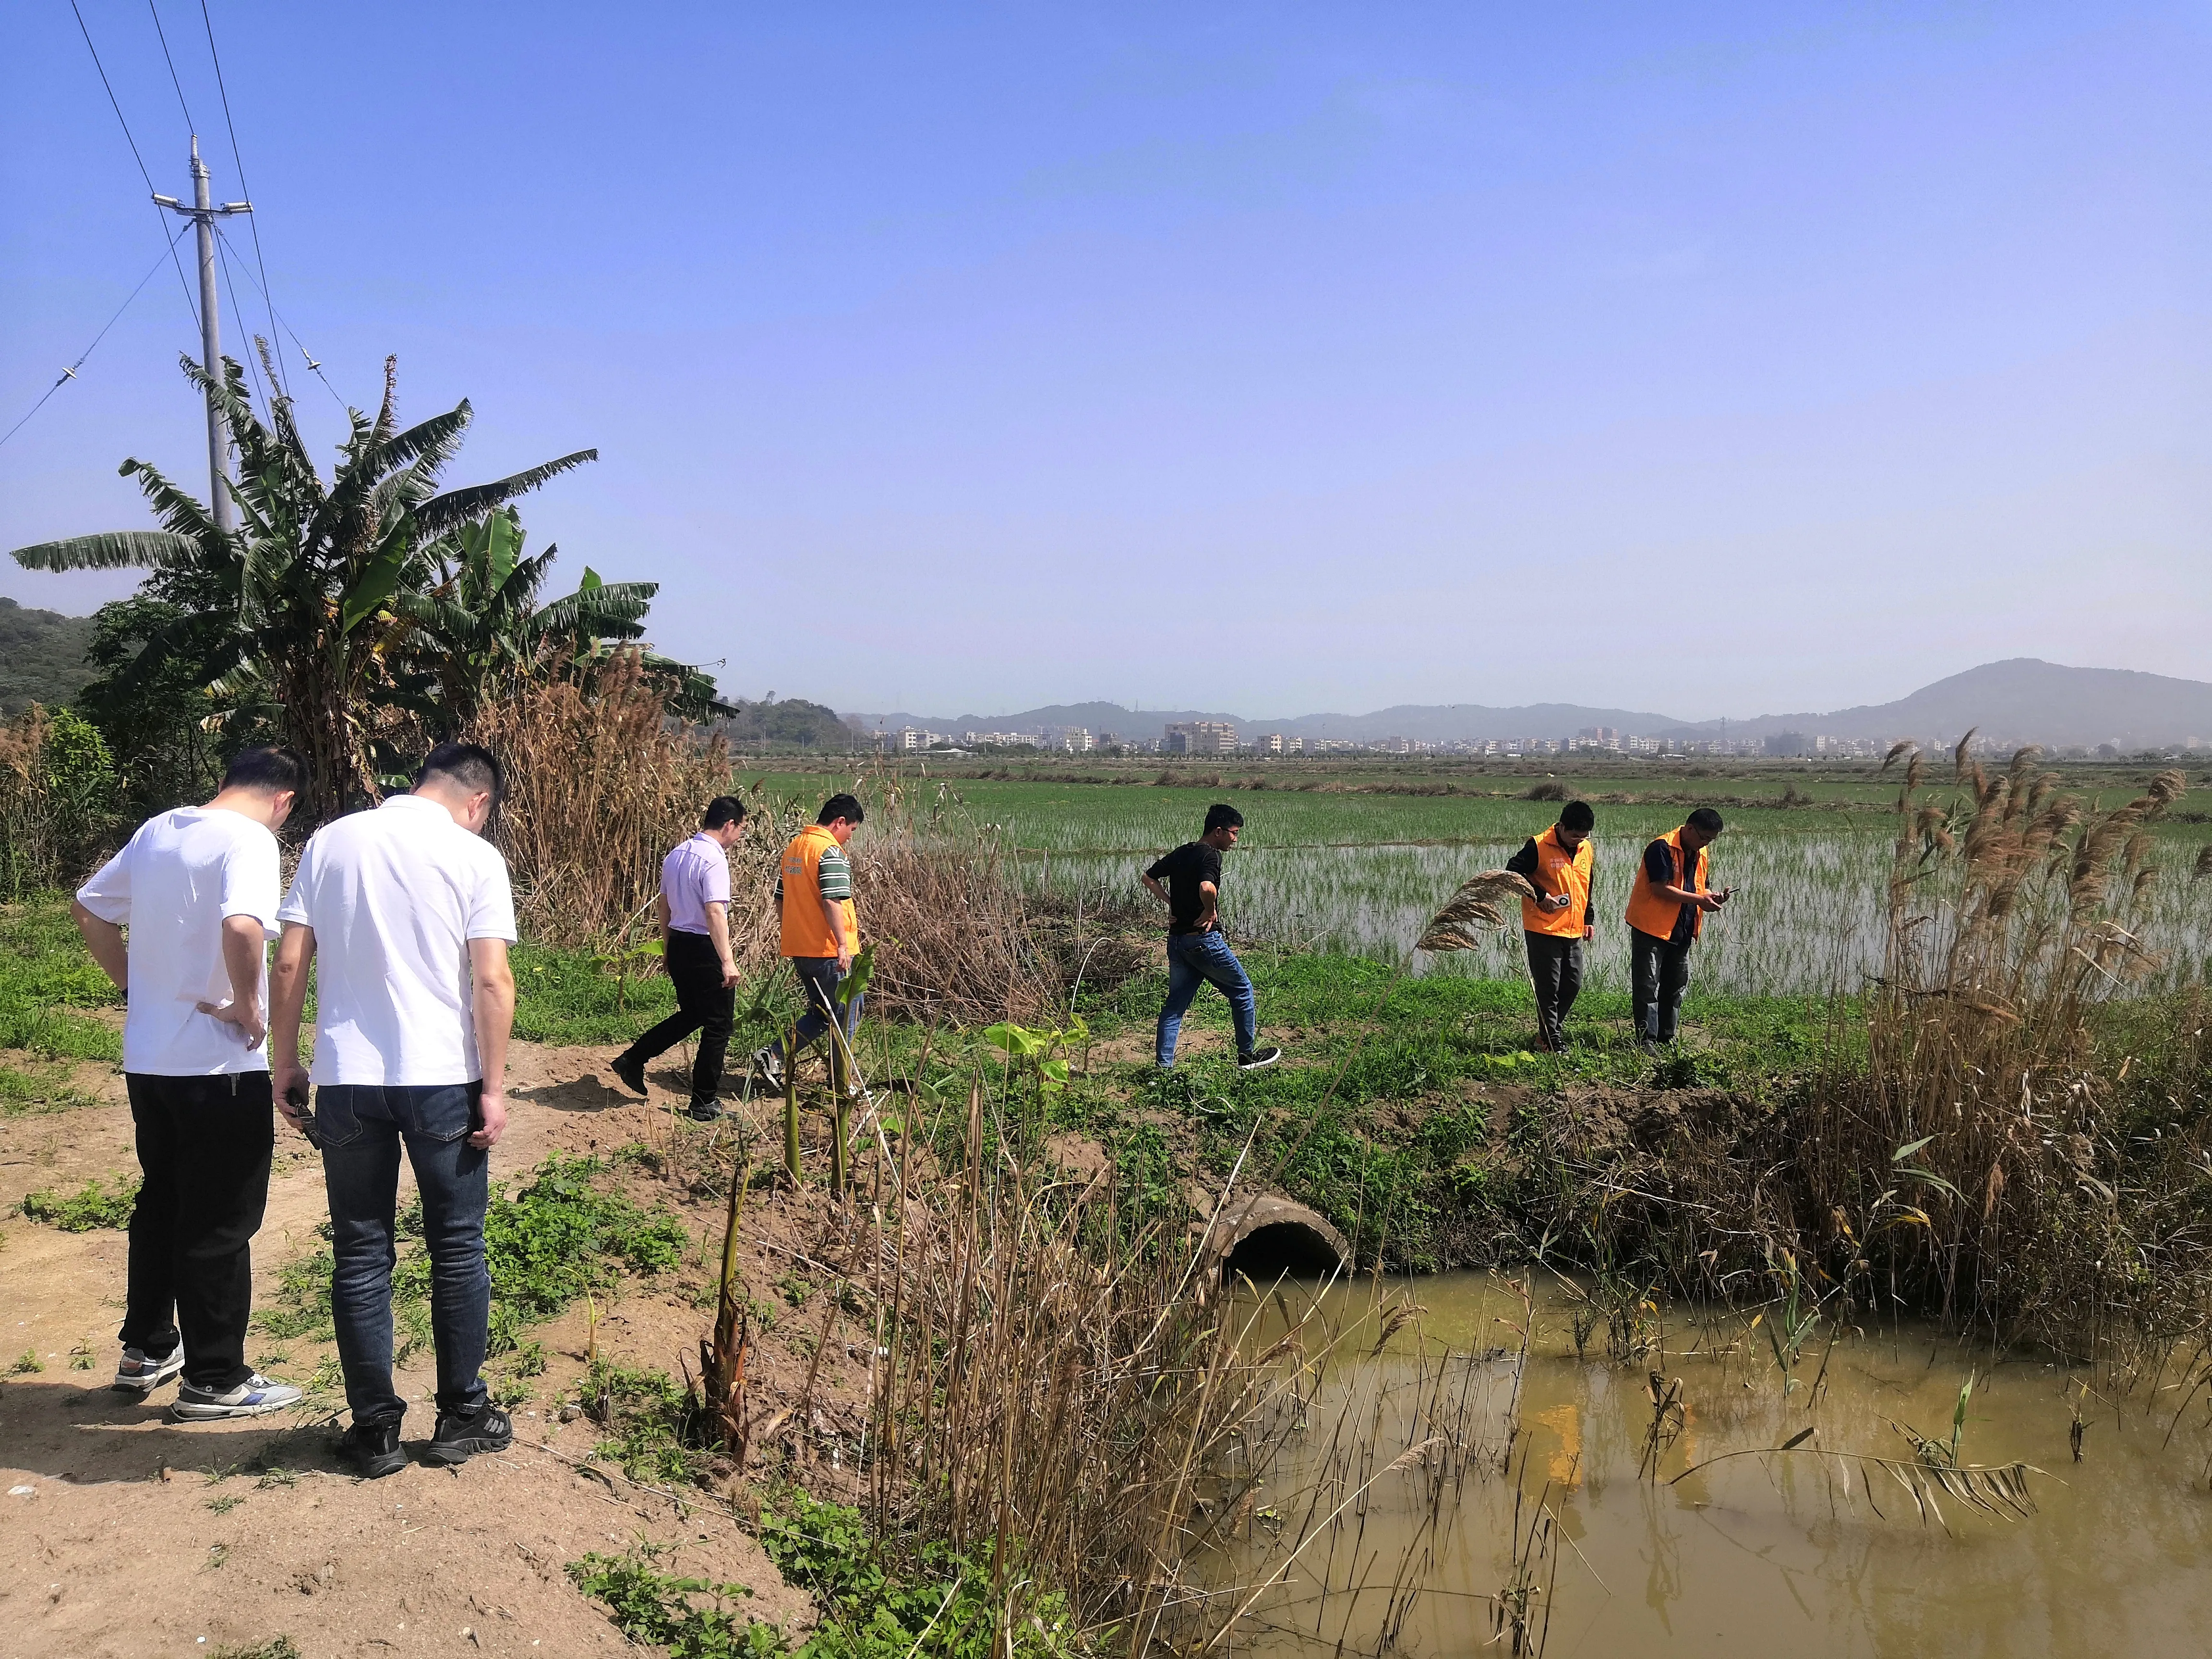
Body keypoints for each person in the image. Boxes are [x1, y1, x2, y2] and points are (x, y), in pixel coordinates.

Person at [269, 743, 517, 1479]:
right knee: (457, 1246)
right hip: (442, 1078)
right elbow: (493, 981)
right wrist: (495, 1088)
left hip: (347, 1080)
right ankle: (461, 1415)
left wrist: (286, 1063)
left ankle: (374, 1430)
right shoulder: (474, 858)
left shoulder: (330, 841)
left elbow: (290, 962)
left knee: (361, 1250)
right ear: (477, 802)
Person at [72, 746, 308, 1419]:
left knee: (163, 1202)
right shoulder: (251, 840)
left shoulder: (158, 831)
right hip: (218, 1066)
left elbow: (89, 908)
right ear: (283, 800)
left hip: (149, 1060)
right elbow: (242, 925)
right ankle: (216, 1378)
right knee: (222, 1220)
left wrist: (131, 986)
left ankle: (147, 1348)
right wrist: (249, 1005)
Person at [611, 796, 747, 1120]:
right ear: (729, 825)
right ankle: (704, 1101)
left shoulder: (677, 854)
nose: (739, 836)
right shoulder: (714, 861)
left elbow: (664, 904)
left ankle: (633, 1059)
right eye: (741, 829)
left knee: (692, 1015)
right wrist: (727, 961)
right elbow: (715, 911)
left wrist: (668, 947)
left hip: (680, 943)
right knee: (718, 1025)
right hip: (704, 947)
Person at [1143, 804, 1281, 1071]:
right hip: (1203, 942)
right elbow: (1207, 887)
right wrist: (1209, 909)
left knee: (1174, 1007)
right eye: (1234, 833)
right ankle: (1247, 1057)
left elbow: (1148, 878)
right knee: (1242, 991)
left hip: (1178, 943)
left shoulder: (1183, 851)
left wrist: (1171, 904)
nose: (1236, 839)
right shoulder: (1211, 856)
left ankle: (1163, 1069)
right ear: (1218, 831)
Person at [752, 794, 866, 1093]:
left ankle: (773, 1054)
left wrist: (794, 929)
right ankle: (843, 1083)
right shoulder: (829, 850)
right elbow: (832, 899)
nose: (849, 838)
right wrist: (842, 944)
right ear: (840, 822)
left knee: (820, 1014)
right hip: (828, 950)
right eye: (851, 830)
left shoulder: (795, 848)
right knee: (848, 1011)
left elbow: (780, 898)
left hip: (801, 948)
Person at [1625, 806, 1732, 1047]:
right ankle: (1646, 1041)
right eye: (1704, 837)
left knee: (1675, 986)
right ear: (1690, 829)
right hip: (1652, 928)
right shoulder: (1661, 848)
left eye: (1711, 840)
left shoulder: (1700, 852)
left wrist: (1711, 898)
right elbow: (1660, 889)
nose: (1706, 844)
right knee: (1647, 986)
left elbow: (1699, 888)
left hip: (1682, 928)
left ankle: (1667, 1037)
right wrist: (1699, 900)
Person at [1506, 800, 1596, 1052]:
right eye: (1574, 836)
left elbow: (1587, 883)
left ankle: (1546, 1033)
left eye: (1584, 837)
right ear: (1562, 827)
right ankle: (1550, 1040)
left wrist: (1588, 918)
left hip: (1574, 927)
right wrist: (1540, 895)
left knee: (1573, 983)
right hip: (1543, 927)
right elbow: (1513, 872)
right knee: (1549, 987)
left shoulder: (1585, 848)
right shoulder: (1538, 845)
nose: (1578, 841)